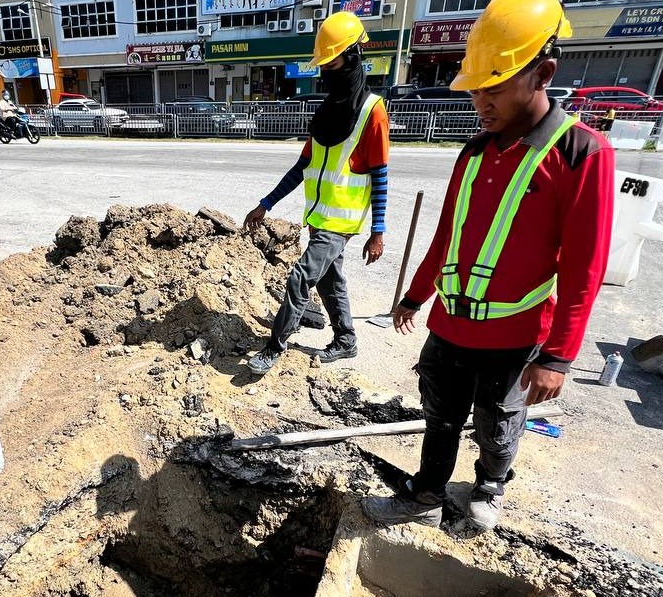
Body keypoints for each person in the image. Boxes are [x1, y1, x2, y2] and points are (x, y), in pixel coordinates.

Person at [363, 0, 614, 532]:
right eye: (474, 89)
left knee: (498, 422)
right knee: (440, 415)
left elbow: (583, 270)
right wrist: (415, 294)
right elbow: (447, 235)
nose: (480, 101)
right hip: (451, 324)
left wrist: (559, 358)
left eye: (493, 89)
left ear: (542, 73)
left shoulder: (579, 153)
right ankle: (428, 488)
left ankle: (489, 486)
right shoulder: (475, 151)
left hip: (515, 331)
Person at [242, 11, 390, 375]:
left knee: (300, 277)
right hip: (318, 218)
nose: (326, 71)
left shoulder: (373, 111)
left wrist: (378, 231)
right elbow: (303, 166)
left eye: (332, 61)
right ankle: (346, 341)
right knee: (330, 282)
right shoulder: (326, 112)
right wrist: (266, 203)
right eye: (323, 64)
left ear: (352, 57)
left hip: (341, 222)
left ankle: (274, 346)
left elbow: (380, 175)